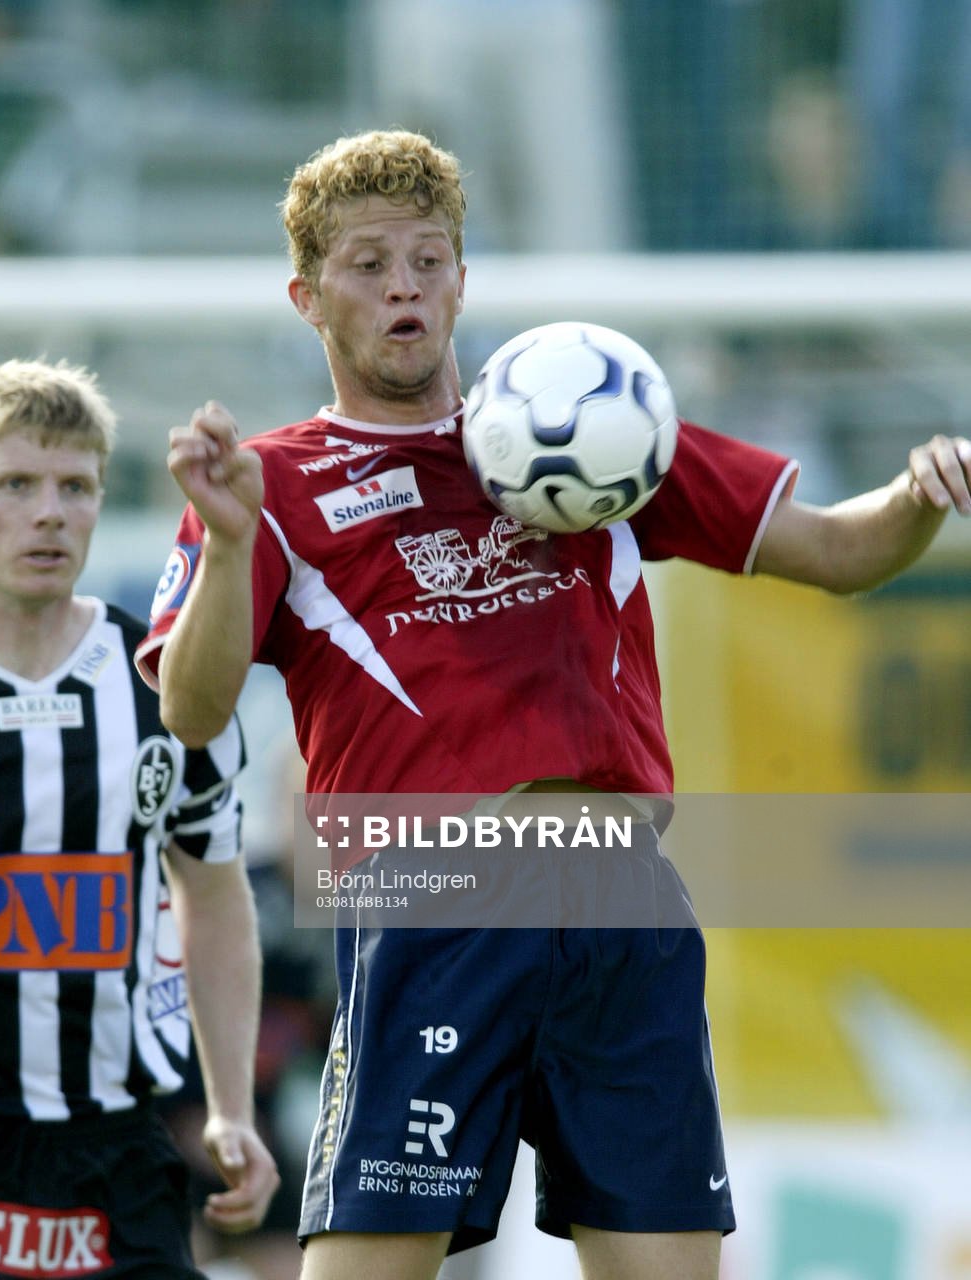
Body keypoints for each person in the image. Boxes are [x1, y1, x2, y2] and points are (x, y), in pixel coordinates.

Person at [136, 130, 971, 1280]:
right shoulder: (272, 484)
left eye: (428, 260)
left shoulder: (586, 415)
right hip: (434, 890)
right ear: (307, 294)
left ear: (462, 279)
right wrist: (227, 550)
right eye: (369, 264)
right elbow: (190, 706)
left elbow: (834, 551)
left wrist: (920, 493)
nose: (403, 288)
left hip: (619, 889)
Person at [0, 358, 279, 1278]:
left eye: (74, 486)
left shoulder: (168, 685)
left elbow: (213, 891)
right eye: (15, 485)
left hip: (109, 1159)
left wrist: (230, 1105)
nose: (50, 512)